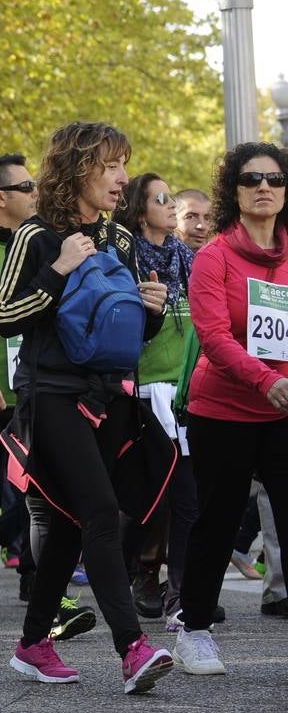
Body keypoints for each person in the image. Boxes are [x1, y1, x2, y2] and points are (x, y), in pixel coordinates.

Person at [0, 121, 175, 694]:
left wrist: (151, 311)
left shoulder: (121, 239)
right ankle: (132, 648)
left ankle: (31, 645)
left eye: (124, 165)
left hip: (108, 398)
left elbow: (124, 335)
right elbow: (3, 315)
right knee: (99, 512)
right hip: (51, 396)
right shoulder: (36, 236)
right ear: (77, 169)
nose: (122, 178)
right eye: (110, 165)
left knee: (73, 527)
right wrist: (60, 267)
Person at [0, 154, 95, 640]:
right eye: (26, 186)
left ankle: (45, 590)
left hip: (38, 394)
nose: (37, 192)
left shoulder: (46, 243)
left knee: (43, 500)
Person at [174, 141, 288, 675]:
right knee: (217, 522)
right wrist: (267, 381)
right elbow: (215, 338)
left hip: (283, 409)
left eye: (274, 178)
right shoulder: (214, 256)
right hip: (223, 410)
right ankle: (194, 629)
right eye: (251, 179)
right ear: (234, 191)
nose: (264, 187)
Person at [114, 172, 196, 622]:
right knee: (146, 503)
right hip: (143, 394)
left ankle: (180, 596)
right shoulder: (124, 261)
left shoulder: (187, 259)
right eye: (159, 198)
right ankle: (122, 572)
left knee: (186, 498)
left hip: (184, 396)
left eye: (171, 197)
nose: (170, 204)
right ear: (139, 208)